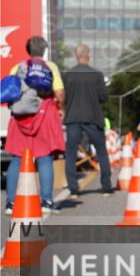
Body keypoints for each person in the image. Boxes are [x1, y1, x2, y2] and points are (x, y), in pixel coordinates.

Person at [4, 36, 66, 213]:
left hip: (20, 117)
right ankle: (46, 201)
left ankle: (11, 203)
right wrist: (59, 106)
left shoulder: (17, 67)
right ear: (44, 50)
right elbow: (60, 93)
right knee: (44, 157)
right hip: (43, 115)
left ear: (28, 50)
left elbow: (10, 92)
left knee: (17, 158)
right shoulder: (50, 67)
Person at [63, 44, 114, 198]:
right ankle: (106, 187)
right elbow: (104, 97)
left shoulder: (67, 75)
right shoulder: (97, 74)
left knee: (71, 154)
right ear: (88, 55)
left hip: (73, 117)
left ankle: (73, 189)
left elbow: (62, 96)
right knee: (101, 152)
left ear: (76, 56)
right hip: (93, 117)